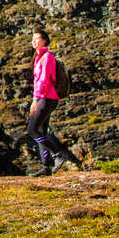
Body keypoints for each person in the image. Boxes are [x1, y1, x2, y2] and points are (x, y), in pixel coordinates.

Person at [28, 28, 81, 175]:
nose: (34, 41)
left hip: (47, 98)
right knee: (41, 131)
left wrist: (35, 100)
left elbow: (44, 81)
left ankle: (58, 154)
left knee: (32, 129)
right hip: (44, 98)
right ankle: (46, 167)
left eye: (37, 38)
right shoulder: (39, 57)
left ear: (45, 41)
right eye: (33, 38)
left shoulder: (47, 57)